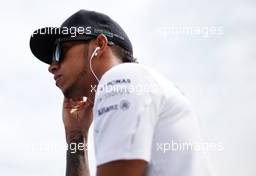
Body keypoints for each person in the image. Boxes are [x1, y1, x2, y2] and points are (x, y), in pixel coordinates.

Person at [30, 9, 213, 176]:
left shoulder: (121, 77)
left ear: (100, 44)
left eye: (59, 51)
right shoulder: (140, 82)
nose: (52, 66)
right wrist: (76, 137)